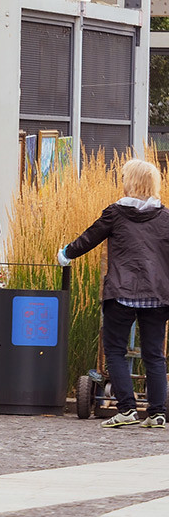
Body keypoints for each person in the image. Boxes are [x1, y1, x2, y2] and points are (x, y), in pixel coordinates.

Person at [58, 159, 169, 429]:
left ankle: (127, 409)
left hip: (121, 292)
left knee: (115, 351)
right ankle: (157, 413)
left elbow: (90, 237)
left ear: (130, 181)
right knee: (154, 355)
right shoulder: (166, 216)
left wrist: (66, 254)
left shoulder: (116, 213)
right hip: (157, 294)